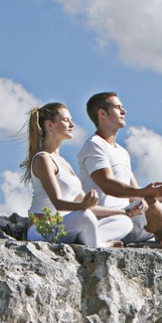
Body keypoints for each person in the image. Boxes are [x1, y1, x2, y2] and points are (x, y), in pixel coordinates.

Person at [77, 92, 162, 254]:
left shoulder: (122, 152)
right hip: (111, 222)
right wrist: (146, 192)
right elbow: (107, 184)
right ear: (102, 113)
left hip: (134, 218)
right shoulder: (94, 145)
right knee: (150, 202)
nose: (124, 111)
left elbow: (136, 198)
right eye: (117, 107)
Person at [22, 102, 136, 247]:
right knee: (85, 216)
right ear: (50, 125)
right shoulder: (43, 159)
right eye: (66, 120)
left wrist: (123, 212)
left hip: (67, 227)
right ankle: (100, 246)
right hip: (43, 230)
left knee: (124, 222)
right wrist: (83, 206)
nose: (72, 124)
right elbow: (58, 203)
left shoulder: (64, 163)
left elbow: (88, 206)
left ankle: (89, 240)